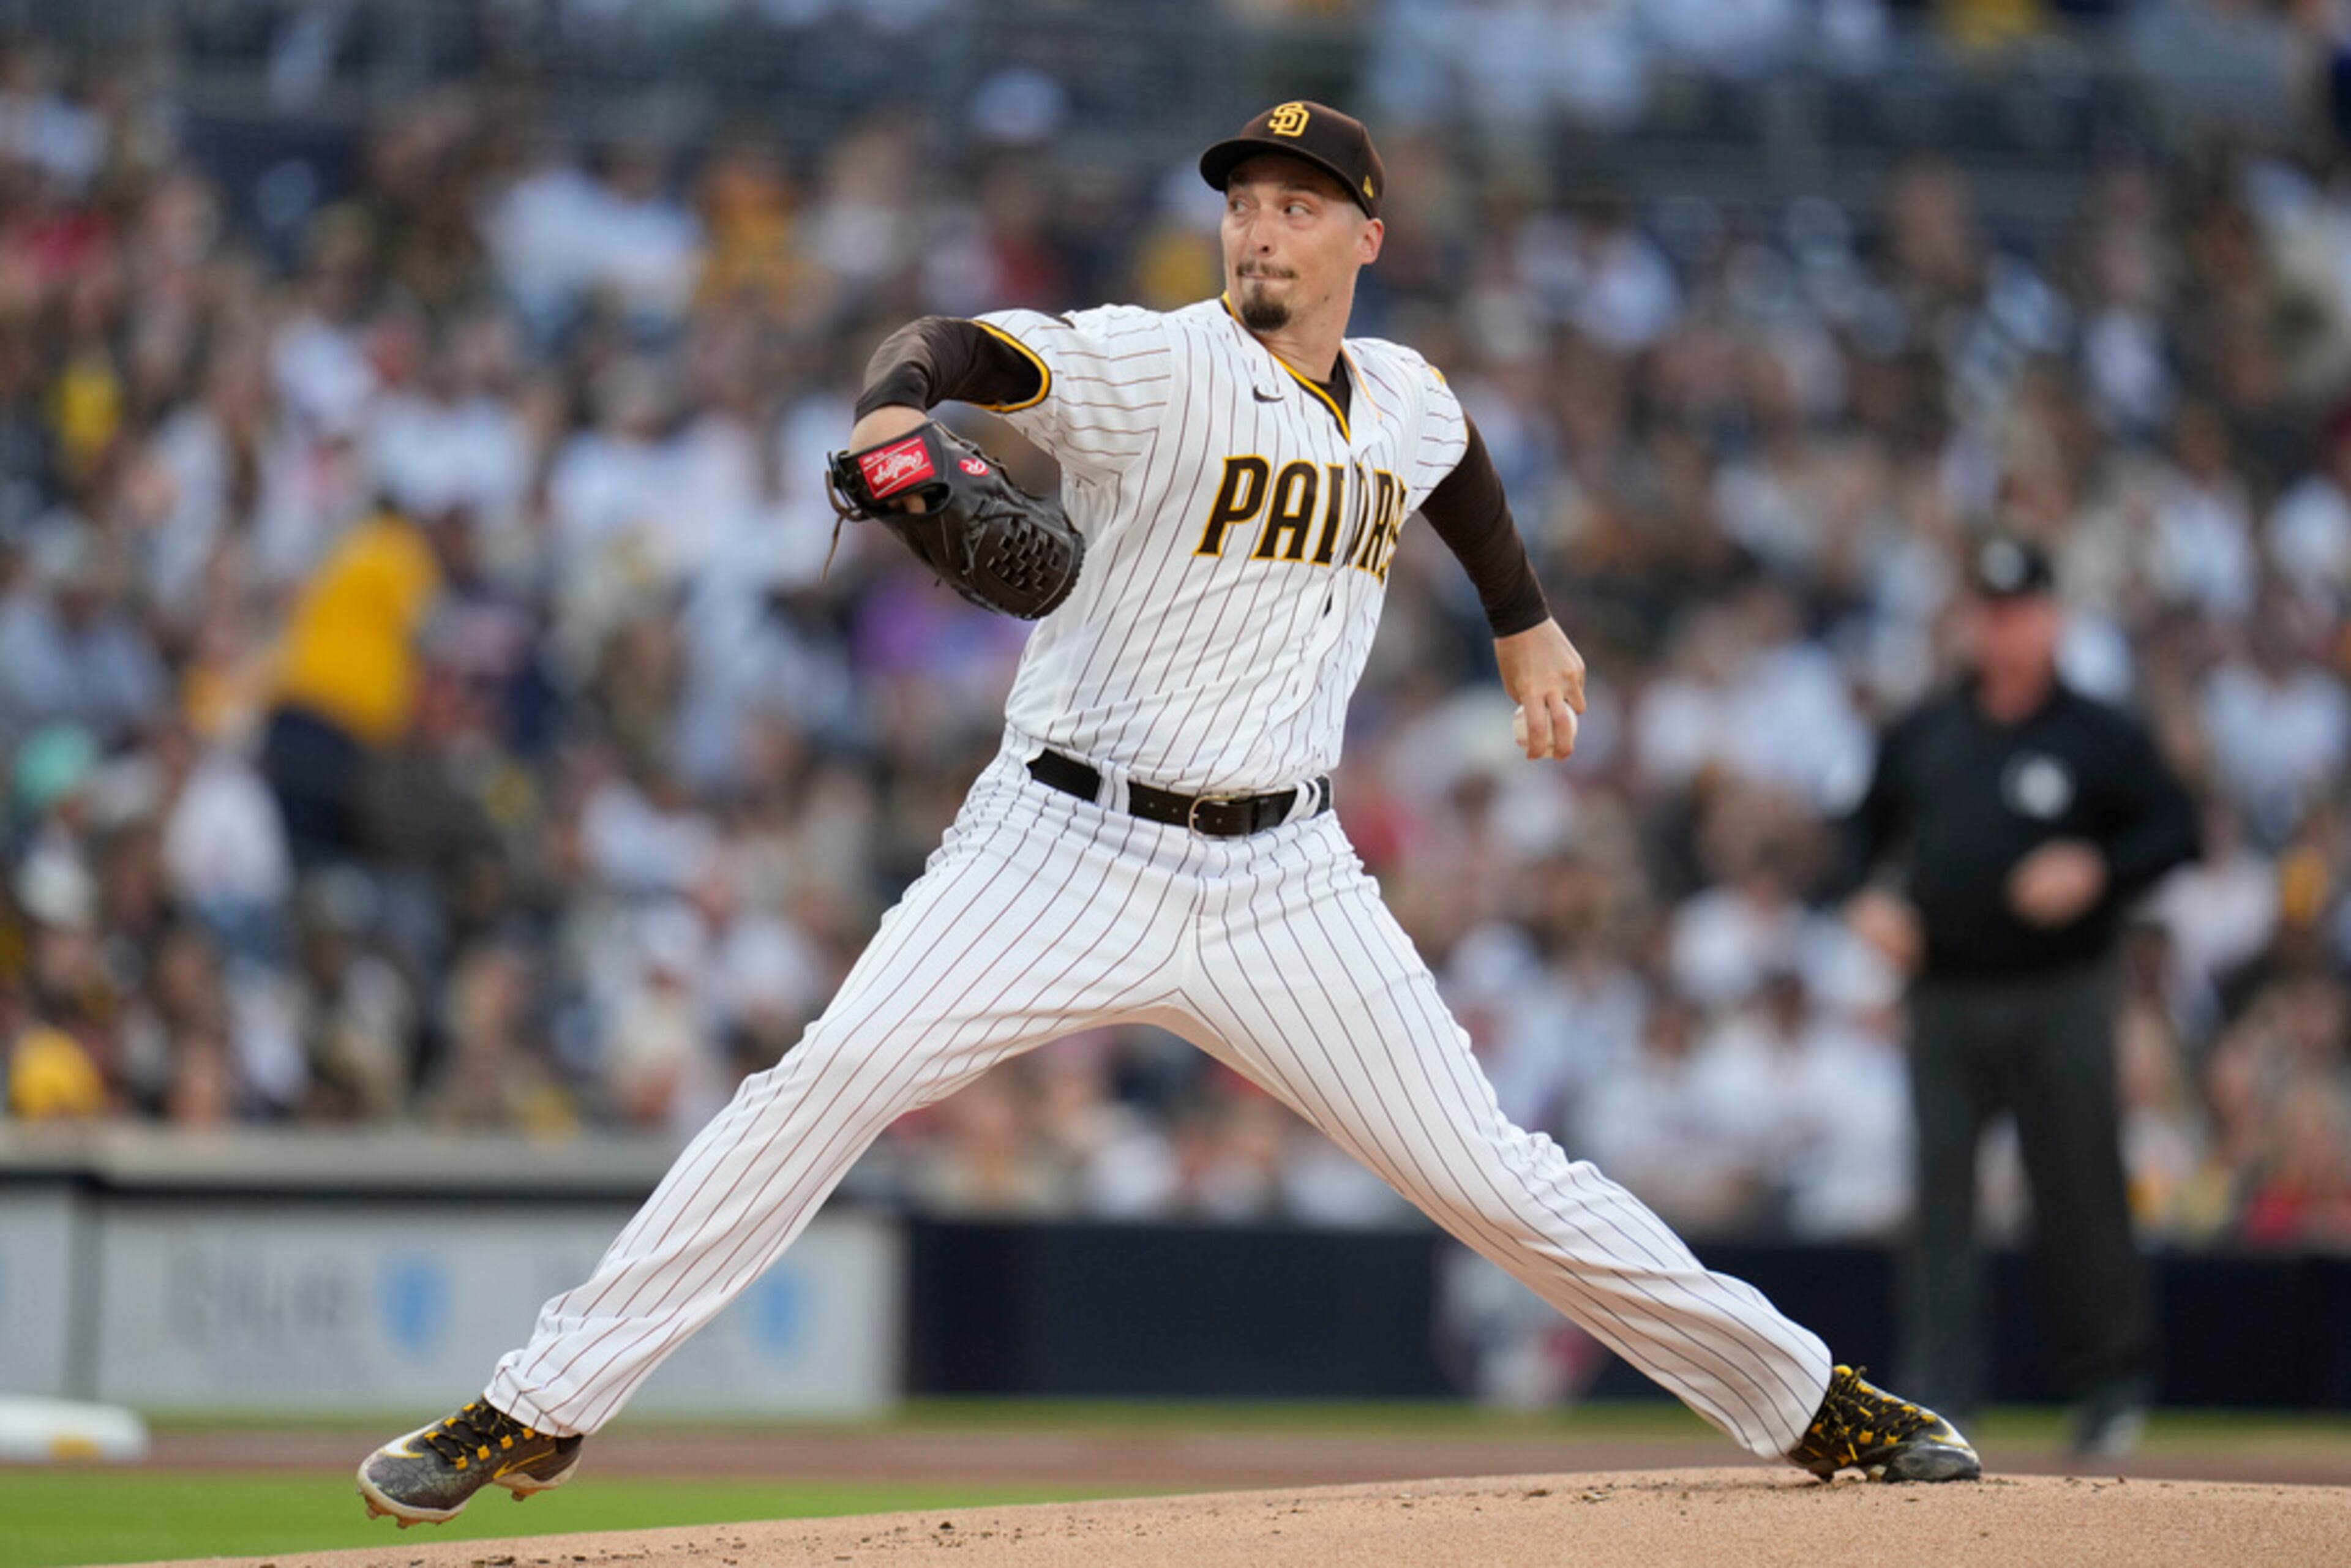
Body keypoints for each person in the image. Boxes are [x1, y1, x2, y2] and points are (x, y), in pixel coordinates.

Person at [356, 102, 1979, 1527]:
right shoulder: (1158, 365)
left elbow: (1459, 460)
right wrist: (883, 415)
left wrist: (1523, 617)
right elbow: (958, 349)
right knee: (830, 1074)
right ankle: (540, 1402)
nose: (1259, 225)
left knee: (1492, 1173)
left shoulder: (1404, 394)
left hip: (1287, 879)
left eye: (1293, 204)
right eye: (1243, 201)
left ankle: (1804, 1397)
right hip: (1063, 840)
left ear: (1365, 235)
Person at [1832, 533, 2200, 1457]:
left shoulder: (2096, 733)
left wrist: (2099, 866)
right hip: (1946, 996)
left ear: (2052, 618)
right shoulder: (1926, 730)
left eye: (2021, 610)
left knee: (2080, 1190)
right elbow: (1855, 839)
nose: (2003, 629)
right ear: (1969, 621)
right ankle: (1943, 1400)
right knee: (1942, 1204)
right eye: (1989, 612)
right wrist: (1868, 899)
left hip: (2061, 989)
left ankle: (2111, 1388)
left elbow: (2179, 828)